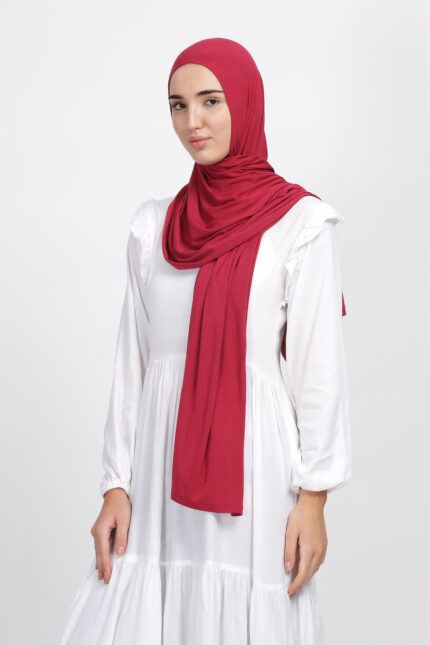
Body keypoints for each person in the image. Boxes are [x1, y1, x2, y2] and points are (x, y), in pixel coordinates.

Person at [60, 37, 352, 645]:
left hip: (256, 475)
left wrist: (314, 499)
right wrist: (116, 484)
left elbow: (318, 371)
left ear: (245, 103)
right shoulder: (154, 226)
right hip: (158, 478)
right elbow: (134, 364)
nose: (193, 121)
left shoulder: (300, 224)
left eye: (211, 101)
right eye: (178, 105)